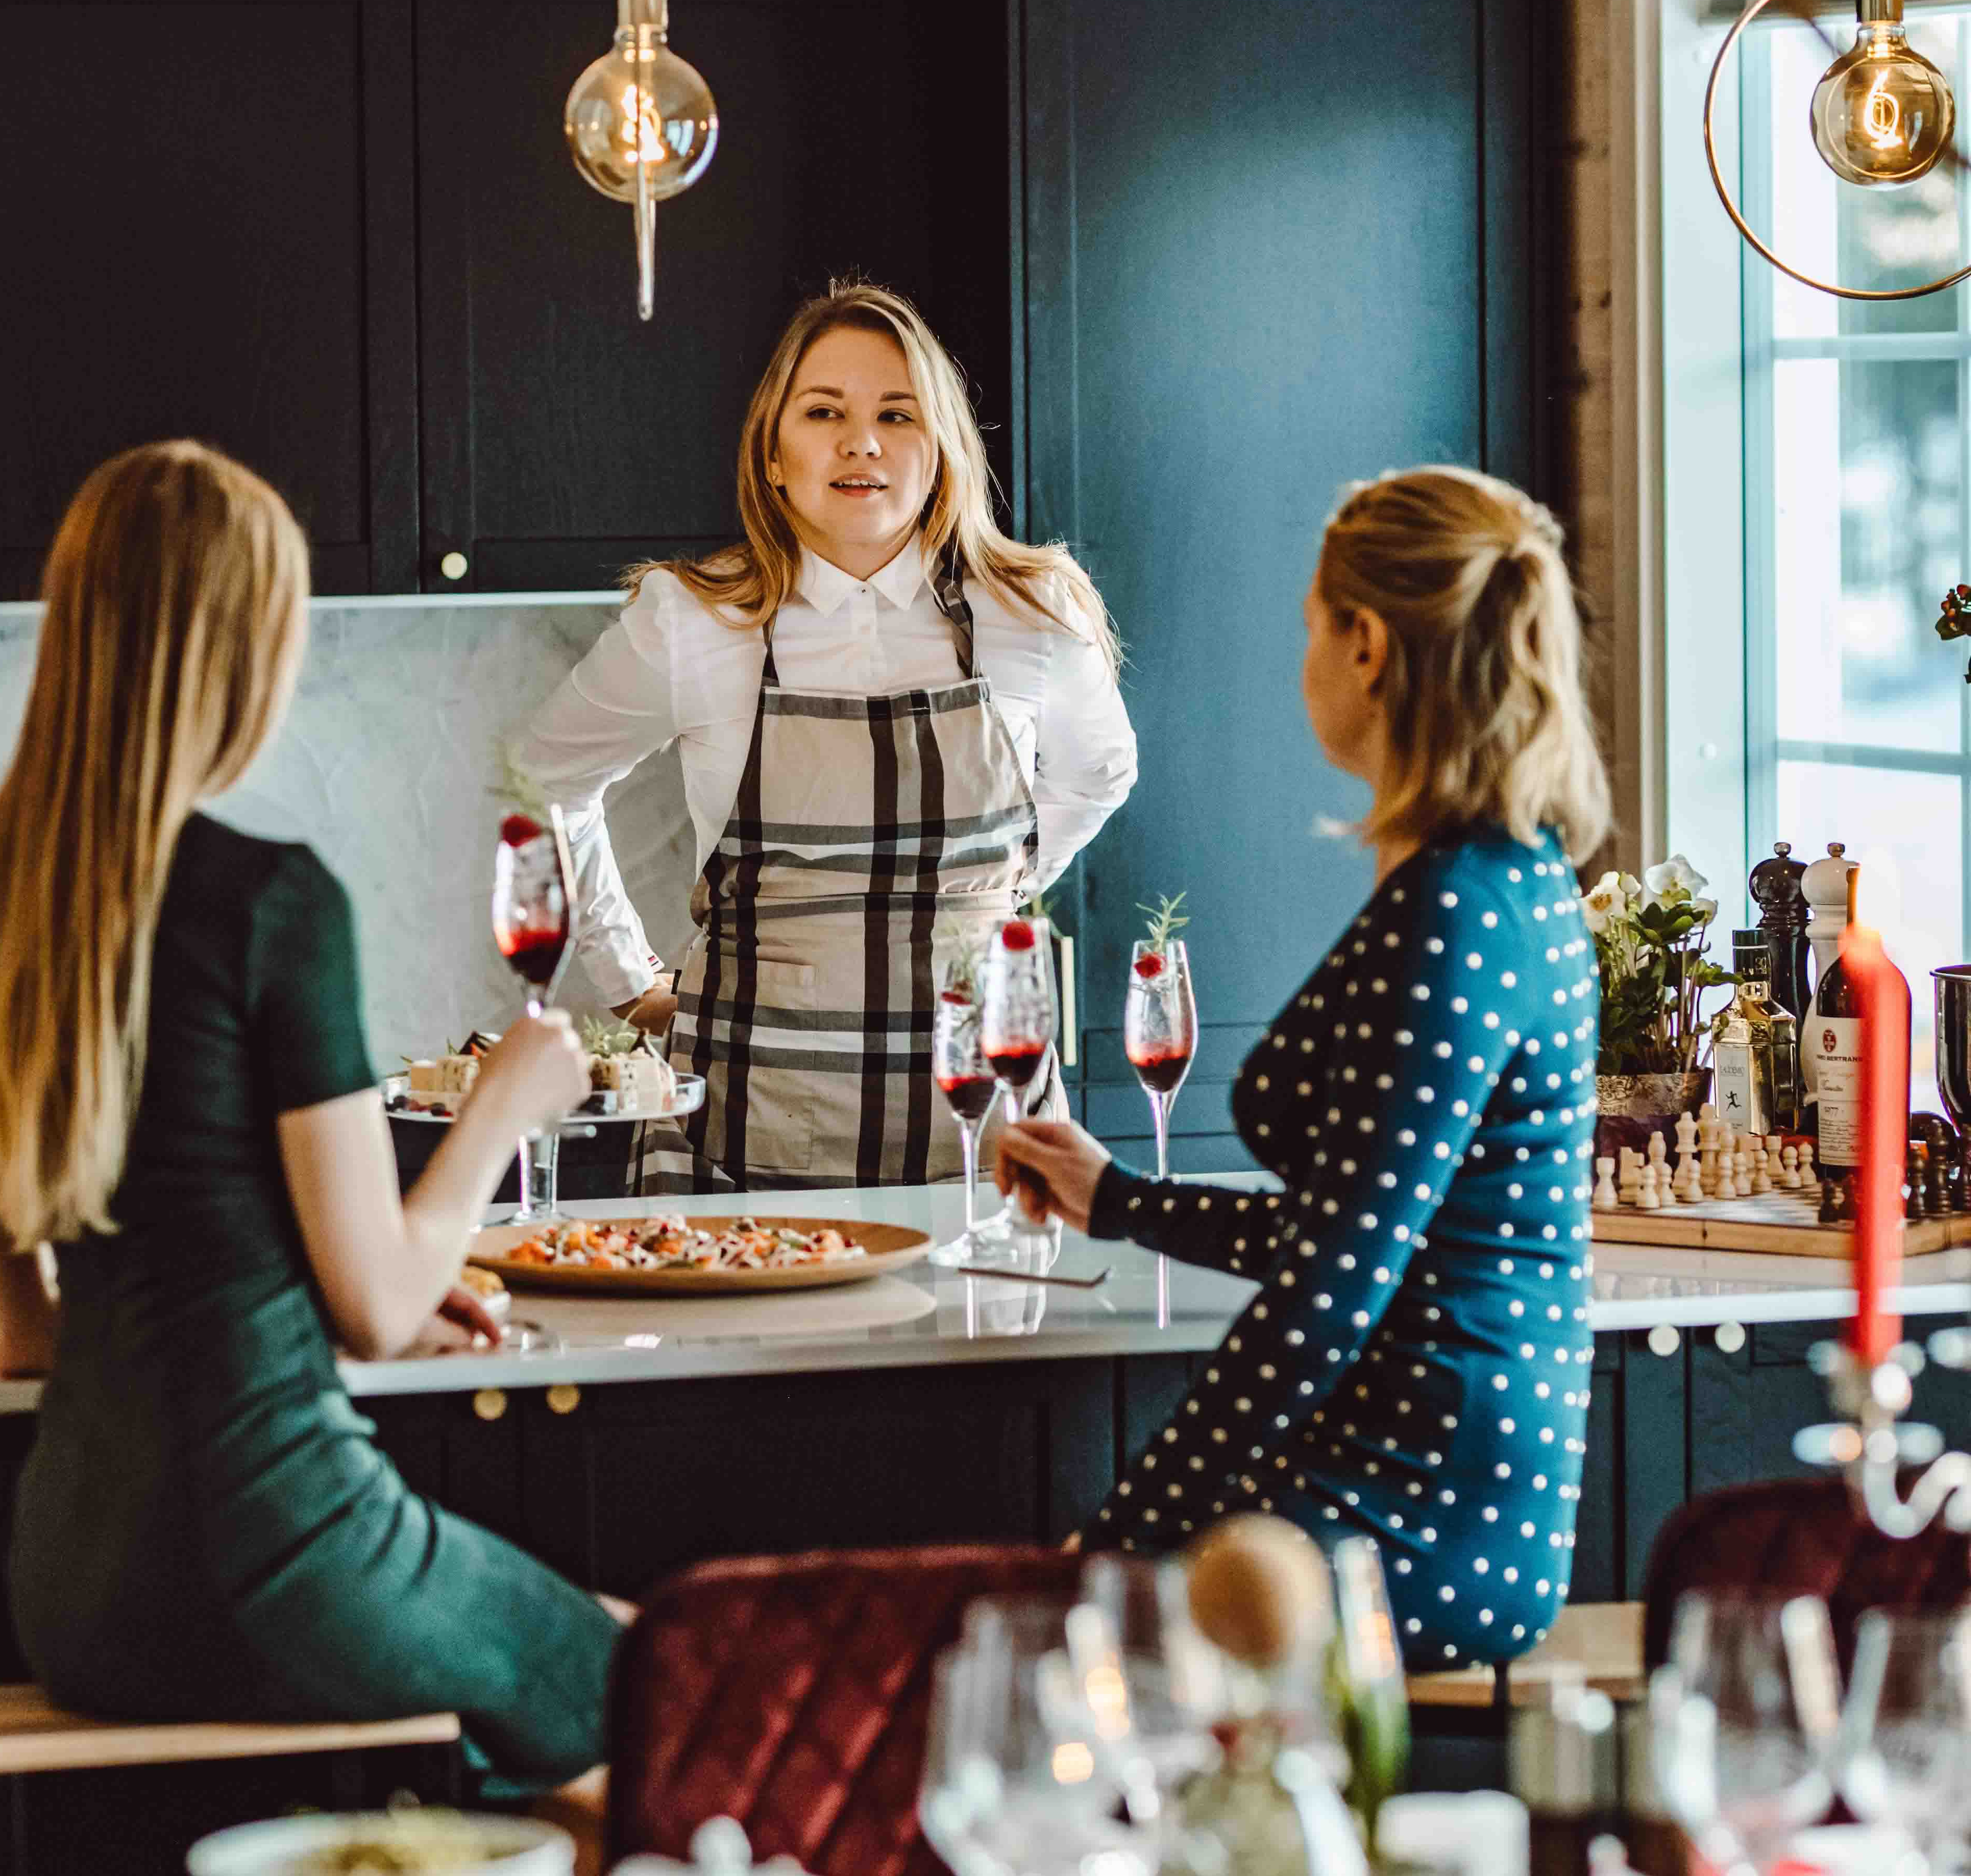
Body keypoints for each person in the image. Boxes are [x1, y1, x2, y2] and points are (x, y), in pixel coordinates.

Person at [0, 441, 618, 1791]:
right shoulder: (271, 903)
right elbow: (372, 1302)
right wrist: (507, 1101)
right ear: (247, 654)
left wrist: (281, 1307)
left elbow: (13, 1332)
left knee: (483, 1748)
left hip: (73, 1590)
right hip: (282, 1553)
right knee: (646, 1680)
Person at [995, 465, 1607, 1672]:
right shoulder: (1505, 881)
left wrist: (1111, 1552)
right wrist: (1117, 1201)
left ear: (1365, 645)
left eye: (1309, 628)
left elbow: (1328, 1291)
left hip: (1417, 1504)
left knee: (1040, 1668)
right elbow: (1360, 1226)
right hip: (1438, 1467)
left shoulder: (1451, 912)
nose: (1301, 666)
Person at [516, 282, 1137, 1187]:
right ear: (773, 454)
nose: (862, 442)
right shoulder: (693, 620)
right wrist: (627, 974)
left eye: (898, 413)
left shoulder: (1032, 613)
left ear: (942, 454)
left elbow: (1100, 775)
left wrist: (982, 899)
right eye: (823, 412)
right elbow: (544, 775)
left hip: (984, 1118)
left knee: (991, 1328)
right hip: (743, 1119)